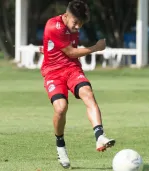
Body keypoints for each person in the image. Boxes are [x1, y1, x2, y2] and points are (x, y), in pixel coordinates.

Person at [40, 0, 115, 168]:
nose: (78, 27)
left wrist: (47, 47)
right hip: (53, 72)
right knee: (61, 108)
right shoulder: (54, 26)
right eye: (75, 22)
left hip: (72, 69)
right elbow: (71, 52)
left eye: (81, 23)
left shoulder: (73, 24)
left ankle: (100, 136)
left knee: (88, 93)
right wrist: (95, 48)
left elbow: (65, 49)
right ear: (66, 16)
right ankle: (60, 146)